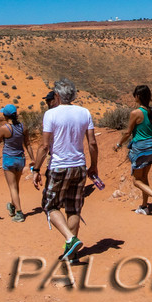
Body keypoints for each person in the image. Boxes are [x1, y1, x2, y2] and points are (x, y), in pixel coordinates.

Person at [33, 80, 98, 263]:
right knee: (73, 208)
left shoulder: (51, 114)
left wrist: (36, 169)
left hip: (59, 167)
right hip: (79, 166)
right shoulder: (84, 112)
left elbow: (45, 145)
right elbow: (92, 143)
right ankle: (72, 254)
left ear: (58, 96)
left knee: (50, 206)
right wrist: (94, 166)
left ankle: (71, 240)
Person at [113, 84, 152, 215]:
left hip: (140, 149)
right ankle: (144, 207)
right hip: (151, 148)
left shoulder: (135, 113)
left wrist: (118, 144)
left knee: (136, 180)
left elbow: (127, 132)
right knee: (144, 177)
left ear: (137, 96)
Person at [0, 103, 30, 222]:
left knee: (12, 187)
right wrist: (32, 158)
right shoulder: (23, 127)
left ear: (5, 115)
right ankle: (12, 207)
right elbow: (27, 144)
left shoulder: (4, 128)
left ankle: (19, 213)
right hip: (20, 158)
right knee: (16, 186)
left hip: (9, 159)